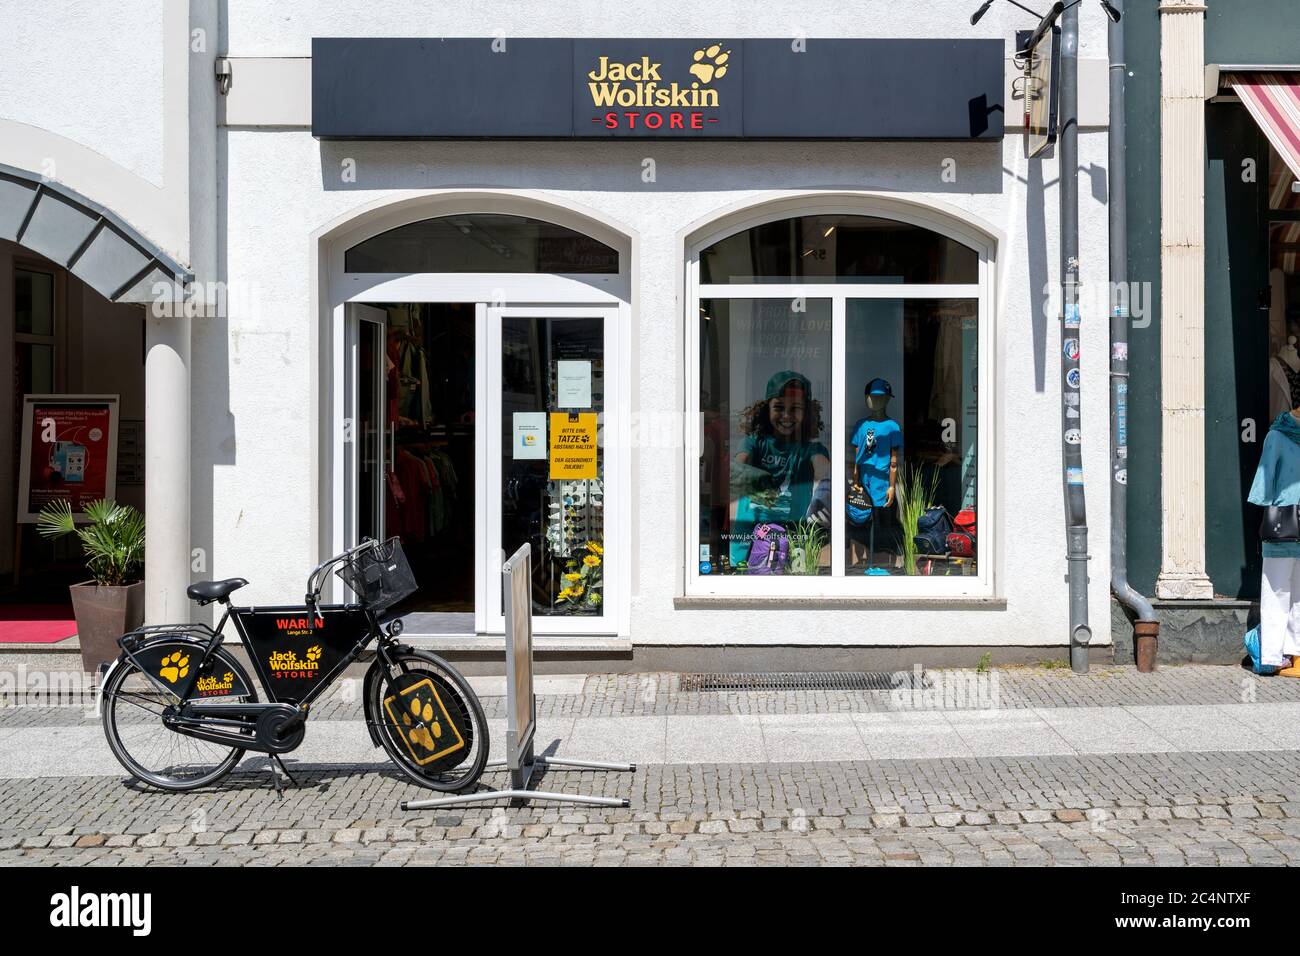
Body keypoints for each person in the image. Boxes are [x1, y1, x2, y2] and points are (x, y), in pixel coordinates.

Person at [728, 370, 831, 568]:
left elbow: (823, 468)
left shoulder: (811, 449)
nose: (786, 415)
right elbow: (737, 467)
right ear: (767, 409)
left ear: (806, 412)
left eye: (795, 409)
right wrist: (755, 478)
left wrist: (826, 491)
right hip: (748, 545)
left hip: (794, 540)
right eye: (779, 407)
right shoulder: (754, 443)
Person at [1248, 408, 1300, 676]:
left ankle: (1297, 655)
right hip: (1283, 526)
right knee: (1276, 591)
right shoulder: (1277, 437)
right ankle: (1271, 656)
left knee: (1299, 596)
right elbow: (1263, 486)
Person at [849, 378, 902, 568]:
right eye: (873, 397)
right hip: (864, 481)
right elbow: (857, 459)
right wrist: (855, 481)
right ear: (867, 398)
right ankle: (866, 562)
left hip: (881, 481)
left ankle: (879, 563)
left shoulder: (892, 427)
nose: (877, 402)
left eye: (882, 398)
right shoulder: (861, 426)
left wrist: (891, 486)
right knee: (861, 520)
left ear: (888, 399)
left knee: (881, 523)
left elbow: (894, 461)